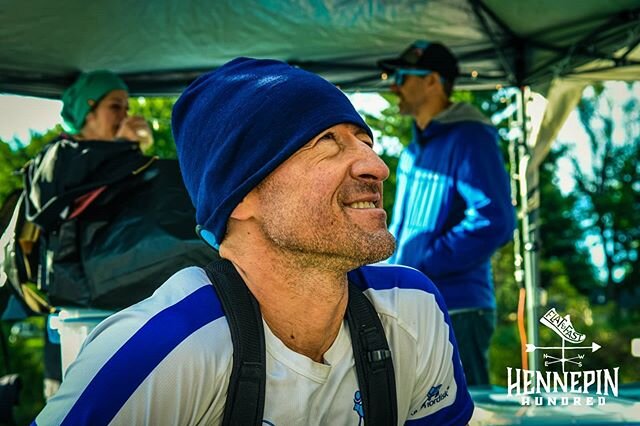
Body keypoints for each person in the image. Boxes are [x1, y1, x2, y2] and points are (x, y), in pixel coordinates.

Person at [34, 57, 474, 425]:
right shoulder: (163, 351)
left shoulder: (411, 308)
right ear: (240, 196)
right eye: (327, 141)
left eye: (365, 141)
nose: (377, 166)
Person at [378, 41, 516, 386]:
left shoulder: (472, 136)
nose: (393, 86)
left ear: (433, 82)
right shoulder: (412, 152)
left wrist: (422, 264)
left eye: (403, 76)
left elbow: (494, 219)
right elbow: (404, 230)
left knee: (466, 416)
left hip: (457, 307)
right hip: (409, 302)